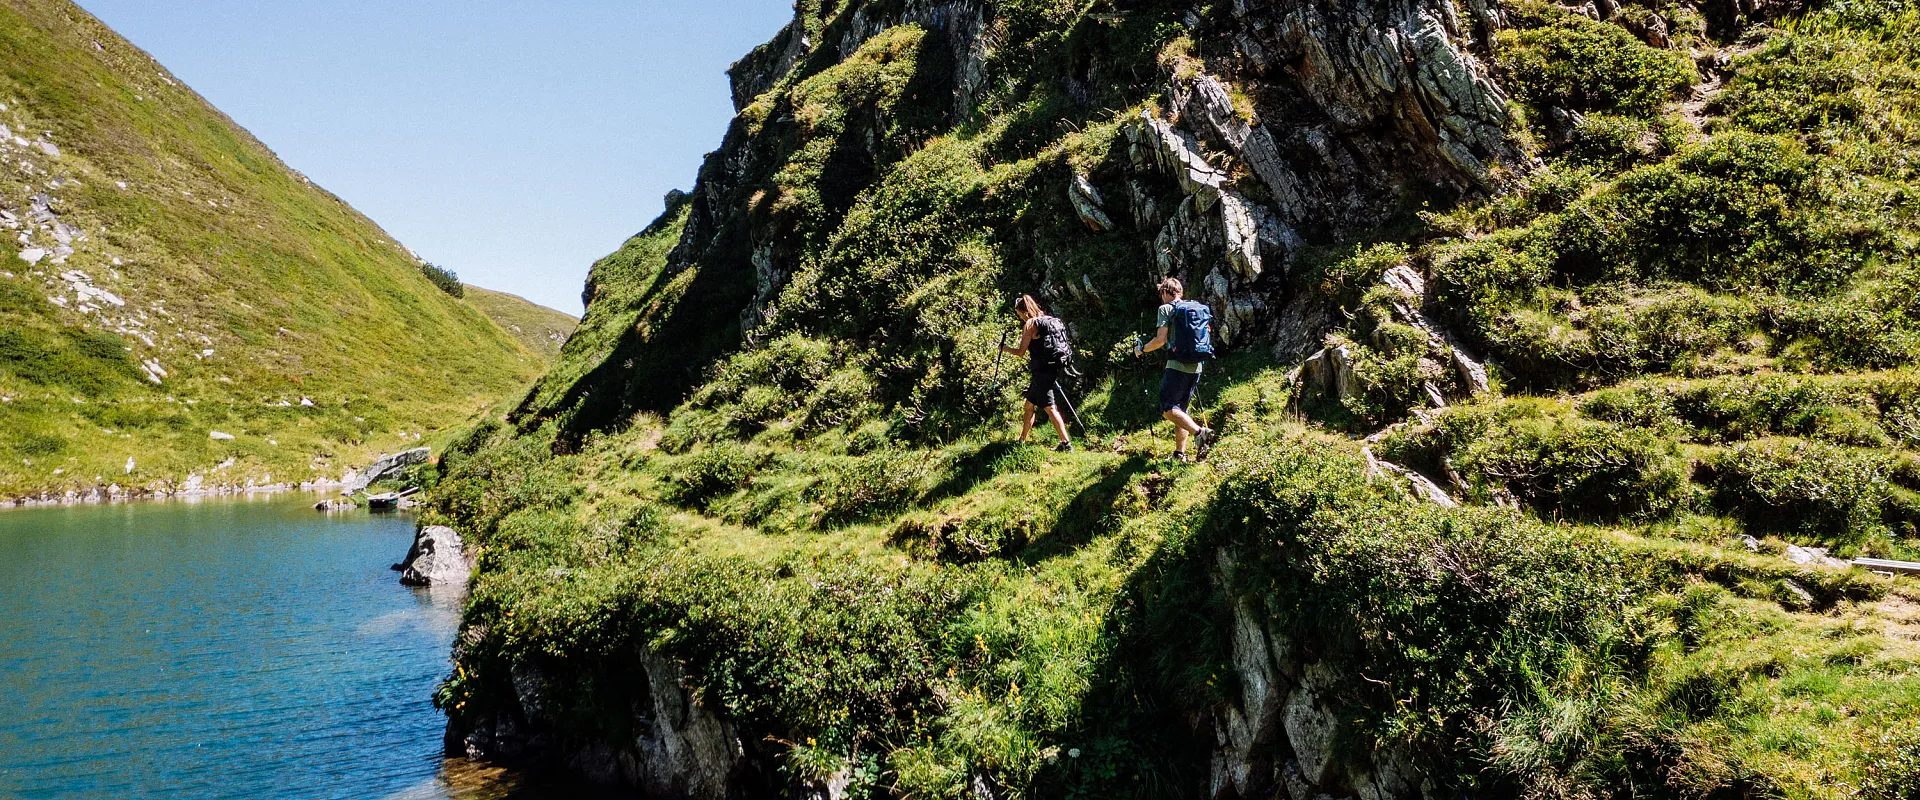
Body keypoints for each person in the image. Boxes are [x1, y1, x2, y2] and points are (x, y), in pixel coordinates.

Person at [1134, 277, 1216, 462]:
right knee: (1181, 410)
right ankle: (1180, 454)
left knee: (1168, 408)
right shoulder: (1196, 308)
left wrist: (1141, 350)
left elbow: (1160, 340)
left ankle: (1199, 432)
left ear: (1165, 292)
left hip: (1177, 364)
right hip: (1197, 366)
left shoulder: (1166, 309)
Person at [999, 294, 1074, 452]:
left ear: (1024, 312)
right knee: (1029, 405)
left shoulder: (1030, 324)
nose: (1020, 318)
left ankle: (1066, 443)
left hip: (1042, 373)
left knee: (1049, 407)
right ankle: (1022, 440)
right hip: (1049, 369)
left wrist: (1005, 349)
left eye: (1019, 315)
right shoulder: (1046, 319)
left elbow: (1020, 352)